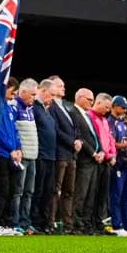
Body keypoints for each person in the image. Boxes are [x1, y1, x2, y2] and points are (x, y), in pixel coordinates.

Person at [0, 77, 22, 235]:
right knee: (1, 189)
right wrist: (10, 148)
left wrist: (19, 148)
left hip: (13, 155)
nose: (14, 93)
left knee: (12, 190)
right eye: (12, 89)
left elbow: (14, 131)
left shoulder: (10, 108)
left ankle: (8, 223)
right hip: (1, 154)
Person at [48, 76, 79, 234]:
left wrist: (78, 140)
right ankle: (51, 222)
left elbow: (75, 127)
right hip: (60, 153)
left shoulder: (67, 107)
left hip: (71, 155)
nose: (63, 88)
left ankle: (68, 225)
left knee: (69, 191)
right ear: (51, 87)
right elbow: (56, 130)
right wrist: (72, 142)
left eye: (63, 85)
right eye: (60, 86)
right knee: (56, 189)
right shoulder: (51, 107)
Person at [71, 88, 101, 234]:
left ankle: (86, 223)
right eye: (90, 100)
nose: (92, 102)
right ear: (80, 98)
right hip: (84, 160)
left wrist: (100, 150)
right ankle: (77, 224)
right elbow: (80, 136)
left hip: (94, 161)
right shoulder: (73, 113)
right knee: (80, 194)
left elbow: (94, 136)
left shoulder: (87, 115)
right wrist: (93, 153)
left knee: (90, 195)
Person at [30, 79, 57, 233]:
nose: (52, 98)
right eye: (51, 94)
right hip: (40, 155)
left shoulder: (46, 109)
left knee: (47, 192)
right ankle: (35, 221)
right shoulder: (34, 107)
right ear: (43, 91)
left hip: (50, 156)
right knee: (38, 191)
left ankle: (43, 222)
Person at [13, 78, 38, 235]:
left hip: (32, 157)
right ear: (22, 92)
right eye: (32, 94)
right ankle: (15, 222)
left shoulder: (30, 109)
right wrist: (17, 149)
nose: (34, 98)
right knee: (18, 191)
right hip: (21, 157)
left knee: (28, 192)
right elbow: (13, 131)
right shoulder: (15, 107)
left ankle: (25, 221)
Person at [89, 94, 116, 235]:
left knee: (102, 195)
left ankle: (99, 223)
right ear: (98, 102)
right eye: (106, 107)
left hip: (106, 161)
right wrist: (105, 153)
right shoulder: (90, 117)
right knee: (93, 193)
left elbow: (110, 139)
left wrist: (113, 154)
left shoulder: (104, 120)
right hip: (96, 160)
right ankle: (91, 223)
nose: (107, 110)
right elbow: (97, 139)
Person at [108, 96, 127, 234]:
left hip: (125, 162)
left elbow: (124, 141)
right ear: (115, 106)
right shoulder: (110, 122)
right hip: (116, 164)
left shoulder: (122, 123)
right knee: (116, 195)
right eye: (122, 107)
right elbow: (112, 144)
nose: (124, 110)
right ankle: (116, 225)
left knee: (126, 195)